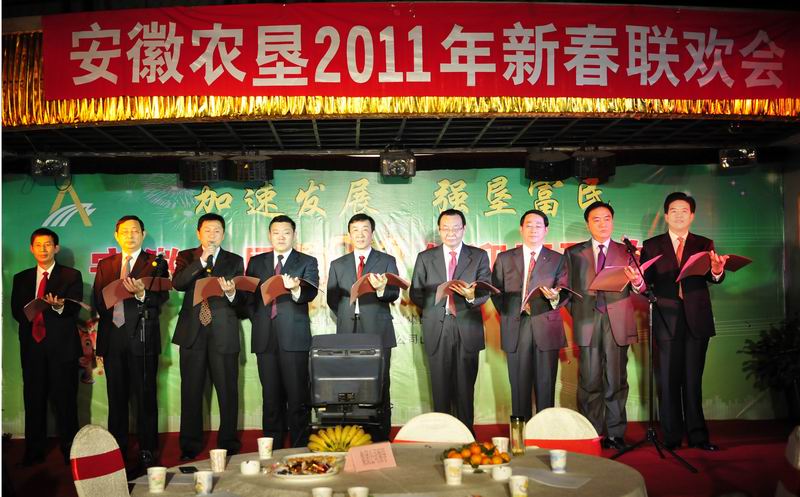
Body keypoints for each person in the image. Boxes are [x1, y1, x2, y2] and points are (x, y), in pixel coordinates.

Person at [637, 192, 728, 451]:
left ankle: (698, 436)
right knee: (668, 381)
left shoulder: (704, 243)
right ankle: (672, 437)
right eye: (674, 211)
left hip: (696, 319)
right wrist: (636, 282)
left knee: (693, 380)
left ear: (692, 216)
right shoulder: (652, 245)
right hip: (666, 318)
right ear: (666, 216)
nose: (679, 215)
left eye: (684, 210)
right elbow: (644, 285)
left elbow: (713, 277)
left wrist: (717, 270)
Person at [92, 215, 169, 468]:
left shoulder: (155, 263)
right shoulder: (106, 264)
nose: (130, 235)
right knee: (116, 399)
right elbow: (98, 301)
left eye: (135, 231)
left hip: (142, 337)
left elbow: (161, 299)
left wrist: (142, 294)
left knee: (145, 398)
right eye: (124, 231)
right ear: (117, 236)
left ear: (143, 234)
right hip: (113, 339)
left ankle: (147, 449)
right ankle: (118, 449)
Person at [565, 201, 640, 450]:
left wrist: (637, 282)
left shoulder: (627, 251)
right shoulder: (574, 253)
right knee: (589, 380)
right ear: (588, 224)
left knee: (616, 379)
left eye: (607, 218)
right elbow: (566, 292)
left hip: (617, 322)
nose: (602, 224)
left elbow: (640, 287)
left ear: (613, 222)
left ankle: (615, 433)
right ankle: (591, 432)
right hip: (587, 321)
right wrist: (579, 314)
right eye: (596, 219)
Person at [410, 208, 491, 432]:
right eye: (446, 228)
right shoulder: (425, 258)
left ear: (464, 229)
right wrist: (434, 305)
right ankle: (441, 435)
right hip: (438, 326)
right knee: (440, 388)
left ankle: (466, 435)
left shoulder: (478, 256)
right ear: (439, 230)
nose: (451, 233)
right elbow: (416, 293)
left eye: (456, 228)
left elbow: (486, 290)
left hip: (467, 326)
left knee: (465, 389)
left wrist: (471, 296)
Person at [172, 213, 244, 460]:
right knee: (191, 392)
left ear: (223, 234)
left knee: (228, 391)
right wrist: (201, 261)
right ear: (198, 233)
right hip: (192, 333)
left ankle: (228, 443)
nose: (212, 235)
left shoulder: (234, 260)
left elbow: (242, 302)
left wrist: (232, 293)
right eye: (207, 230)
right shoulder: (186, 257)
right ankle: (189, 445)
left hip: (223, 332)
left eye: (217, 231)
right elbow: (178, 283)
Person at [10, 228, 82, 465]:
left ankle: (70, 450)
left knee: (66, 401)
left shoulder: (71, 275)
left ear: (56, 248)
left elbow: (74, 308)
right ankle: (34, 450)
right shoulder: (21, 278)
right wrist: (33, 310)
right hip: (32, 349)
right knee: (34, 400)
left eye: (48, 244)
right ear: (31, 249)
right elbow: (16, 312)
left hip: (62, 349)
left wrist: (59, 306)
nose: (43, 249)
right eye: (38, 245)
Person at [246, 215, 319, 448]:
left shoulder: (307, 261)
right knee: (270, 397)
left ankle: (300, 447)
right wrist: (258, 319)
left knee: (298, 397)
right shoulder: (256, 262)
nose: (281, 237)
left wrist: (296, 288)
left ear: (294, 235)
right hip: (264, 337)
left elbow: (311, 292)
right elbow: (249, 298)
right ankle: (272, 448)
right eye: (276, 232)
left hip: (294, 338)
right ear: (269, 235)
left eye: (286, 232)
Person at [327, 214, 401, 441]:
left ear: (372, 233)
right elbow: (332, 298)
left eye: (365, 229)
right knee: (349, 383)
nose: (360, 234)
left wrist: (381, 289)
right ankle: (352, 432)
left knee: (380, 382)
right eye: (355, 230)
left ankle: (381, 434)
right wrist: (347, 315)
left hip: (377, 331)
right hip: (347, 331)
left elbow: (394, 293)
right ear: (350, 234)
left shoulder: (386, 260)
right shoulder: (338, 264)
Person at [492, 209, 569, 420]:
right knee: (519, 387)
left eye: (538, 225)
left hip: (546, 327)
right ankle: (521, 435)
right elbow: (495, 292)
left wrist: (555, 297)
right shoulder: (505, 258)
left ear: (546, 230)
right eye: (529, 225)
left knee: (546, 385)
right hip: (516, 327)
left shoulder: (557, 259)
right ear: (521, 229)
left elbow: (565, 291)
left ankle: (544, 432)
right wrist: (512, 312)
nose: (533, 230)